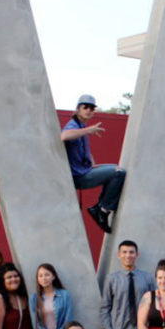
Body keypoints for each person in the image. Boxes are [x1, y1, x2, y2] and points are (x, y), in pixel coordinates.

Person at [61, 94, 126, 233]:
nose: (89, 110)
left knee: (116, 168)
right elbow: (64, 136)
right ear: (78, 108)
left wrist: (92, 165)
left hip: (84, 171)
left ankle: (100, 207)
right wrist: (87, 131)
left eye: (92, 108)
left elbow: (84, 151)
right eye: (86, 107)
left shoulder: (81, 126)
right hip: (78, 177)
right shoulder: (73, 125)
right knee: (118, 173)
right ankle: (103, 209)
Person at [32, 263, 74, 329]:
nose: (43, 278)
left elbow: (67, 320)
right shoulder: (33, 298)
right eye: (40, 276)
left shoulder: (65, 295)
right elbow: (36, 325)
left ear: (53, 276)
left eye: (47, 275)